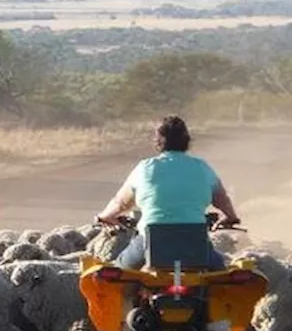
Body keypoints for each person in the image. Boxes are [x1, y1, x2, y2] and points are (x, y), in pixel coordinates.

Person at [94, 114, 239, 270]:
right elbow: (221, 199)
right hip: (195, 242)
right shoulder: (202, 167)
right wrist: (230, 217)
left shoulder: (145, 168)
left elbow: (121, 202)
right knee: (222, 277)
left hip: (149, 241)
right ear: (187, 142)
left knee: (120, 272)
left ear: (158, 142)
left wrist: (105, 216)